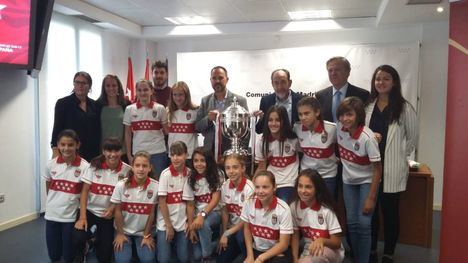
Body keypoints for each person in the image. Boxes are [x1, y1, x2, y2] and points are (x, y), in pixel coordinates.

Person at [365, 65, 418, 263]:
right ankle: (371, 250)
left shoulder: (404, 107)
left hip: (392, 169)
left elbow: (413, 137)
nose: (381, 82)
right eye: (378, 79)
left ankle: (388, 253)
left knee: (390, 213)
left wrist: (398, 155)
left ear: (394, 82)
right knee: (370, 214)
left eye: (386, 79)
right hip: (370, 169)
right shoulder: (368, 105)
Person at [336, 97, 382, 263]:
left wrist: (371, 198)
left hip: (366, 183)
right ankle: (357, 257)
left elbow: (378, 169)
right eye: (342, 115)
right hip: (348, 182)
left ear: (358, 115)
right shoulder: (339, 130)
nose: (345, 119)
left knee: (364, 224)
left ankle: (363, 260)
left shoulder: (367, 138)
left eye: (349, 115)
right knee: (352, 223)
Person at [72, 137, 132, 262]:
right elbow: (84, 192)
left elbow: (125, 197)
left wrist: (112, 209)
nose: (113, 155)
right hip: (90, 211)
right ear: (104, 152)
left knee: (104, 258)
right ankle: (83, 247)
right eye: (109, 151)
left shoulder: (127, 170)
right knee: (78, 237)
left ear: (121, 152)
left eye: (116, 151)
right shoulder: (93, 166)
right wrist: (82, 217)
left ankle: (95, 239)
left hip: (109, 215)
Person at [43, 129, 90, 263]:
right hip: (52, 215)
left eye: (70, 145)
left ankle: (83, 247)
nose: (66, 148)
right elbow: (48, 185)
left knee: (68, 257)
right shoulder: (50, 164)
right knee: (54, 256)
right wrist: (52, 202)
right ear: (57, 144)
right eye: (63, 144)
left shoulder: (85, 167)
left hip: (69, 217)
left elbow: (84, 194)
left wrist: (81, 215)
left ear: (77, 145)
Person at [111, 151, 158, 263]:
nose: (141, 169)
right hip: (124, 230)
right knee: (122, 261)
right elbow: (117, 211)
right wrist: (120, 233)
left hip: (143, 231)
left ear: (150, 168)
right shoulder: (121, 185)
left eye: (144, 166)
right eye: (137, 165)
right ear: (132, 167)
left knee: (148, 259)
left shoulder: (156, 186)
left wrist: (146, 235)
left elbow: (151, 213)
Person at [195, 66, 249, 162]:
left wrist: (240, 150)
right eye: (214, 78)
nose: (217, 81)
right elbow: (197, 127)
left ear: (227, 79)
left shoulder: (240, 100)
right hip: (209, 151)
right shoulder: (205, 100)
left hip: (232, 150)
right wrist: (208, 119)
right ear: (210, 80)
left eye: (220, 78)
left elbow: (246, 129)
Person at [290, 169, 344, 263]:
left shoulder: (326, 210)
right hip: (309, 250)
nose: (303, 191)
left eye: (308, 187)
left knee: (311, 260)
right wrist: (294, 259)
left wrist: (322, 240)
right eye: (300, 186)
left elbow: (337, 243)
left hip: (330, 251)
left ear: (317, 189)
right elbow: (295, 235)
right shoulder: (294, 207)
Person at [242, 170, 293, 263]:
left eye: (265, 187)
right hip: (256, 250)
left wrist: (261, 258)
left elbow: (284, 244)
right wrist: (250, 255)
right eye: (257, 187)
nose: (260, 191)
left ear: (274, 187)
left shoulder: (284, 209)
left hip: (276, 252)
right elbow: (247, 229)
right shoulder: (248, 202)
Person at [183, 147, 223, 261]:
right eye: (196, 161)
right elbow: (190, 205)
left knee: (204, 224)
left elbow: (215, 199)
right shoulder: (190, 177)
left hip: (215, 212)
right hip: (197, 216)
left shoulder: (217, 173)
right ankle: (213, 247)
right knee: (196, 256)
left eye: (202, 160)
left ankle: (207, 258)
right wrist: (191, 228)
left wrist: (202, 215)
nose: (199, 164)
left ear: (208, 161)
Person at [123, 79, 169, 178]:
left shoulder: (160, 108)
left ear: (151, 91)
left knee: (158, 182)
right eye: (139, 90)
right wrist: (129, 155)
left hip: (158, 152)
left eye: (145, 89)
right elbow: (127, 134)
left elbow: (167, 131)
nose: (142, 93)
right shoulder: (129, 109)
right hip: (138, 152)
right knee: (140, 182)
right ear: (136, 91)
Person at [51, 71, 100, 161]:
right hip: (70, 150)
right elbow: (57, 128)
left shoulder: (94, 104)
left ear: (89, 86)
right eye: (77, 82)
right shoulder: (63, 103)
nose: (80, 85)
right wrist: (55, 149)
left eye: (84, 83)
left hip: (92, 151)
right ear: (74, 84)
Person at [293, 97, 338, 197]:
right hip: (306, 175)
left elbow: (348, 138)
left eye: (306, 113)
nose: (303, 117)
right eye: (300, 114)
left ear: (317, 112)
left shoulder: (332, 128)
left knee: (327, 207)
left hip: (327, 175)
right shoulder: (297, 128)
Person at [255, 105, 299, 202]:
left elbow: (304, 156)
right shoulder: (262, 141)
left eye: (277, 120)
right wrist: (253, 187)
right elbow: (261, 167)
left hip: (289, 183)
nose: (273, 123)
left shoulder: (293, 139)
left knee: (281, 205)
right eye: (270, 120)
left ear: (284, 121)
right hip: (270, 183)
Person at [156, 141, 191, 263]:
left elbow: (190, 203)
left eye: (179, 154)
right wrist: (169, 226)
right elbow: (162, 201)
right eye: (173, 155)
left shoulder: (190, 174)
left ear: (186, 155)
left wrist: (189, 222)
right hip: (165, 223)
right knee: (163, 260)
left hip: (183, 223)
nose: (175, 158)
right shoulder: (165, 174)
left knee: (184, 258)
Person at [217, 154, 255, 263]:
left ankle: (249, 256)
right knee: (221, 259)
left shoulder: (250, 188)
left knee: (240, 237)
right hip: (231, 228)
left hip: (246, 228)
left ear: (243, 168)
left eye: (235, 167)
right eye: (227, 168)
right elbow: (225, 211)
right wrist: (224, 232)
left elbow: (247, 219)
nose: (231, 171)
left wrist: (227, 233)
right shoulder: (224, 186)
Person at [315, 56, 370, 123]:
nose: (333, 73)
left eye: (337, 70)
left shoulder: (363, 95)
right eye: (330, 70)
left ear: (348, 72)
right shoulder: (320, 96)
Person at [255, 69, 303, 134]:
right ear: (272, 84)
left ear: (290, 83)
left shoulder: (301, 100)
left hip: (296, 142)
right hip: (272, 143)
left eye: (283, 82)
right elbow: (259, 130)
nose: (280, 86)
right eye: (276, 83)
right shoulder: (266, 101)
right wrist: (259, 119)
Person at [97, 74, 130, 162]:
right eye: (108, 85)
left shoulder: (126, 105)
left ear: (118, 87)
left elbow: (128, 130)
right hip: (103, 151)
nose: (111, 88)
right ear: (104, 88)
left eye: (114, 85)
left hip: (122, 151)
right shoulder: (97, 105)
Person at [167, 81, 200, 161]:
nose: (177, 98)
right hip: (173, 155)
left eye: (180, 94)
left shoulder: (195, 111)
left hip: (189, 155)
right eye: (175, 95)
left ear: (186, 95)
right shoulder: (168, 111)